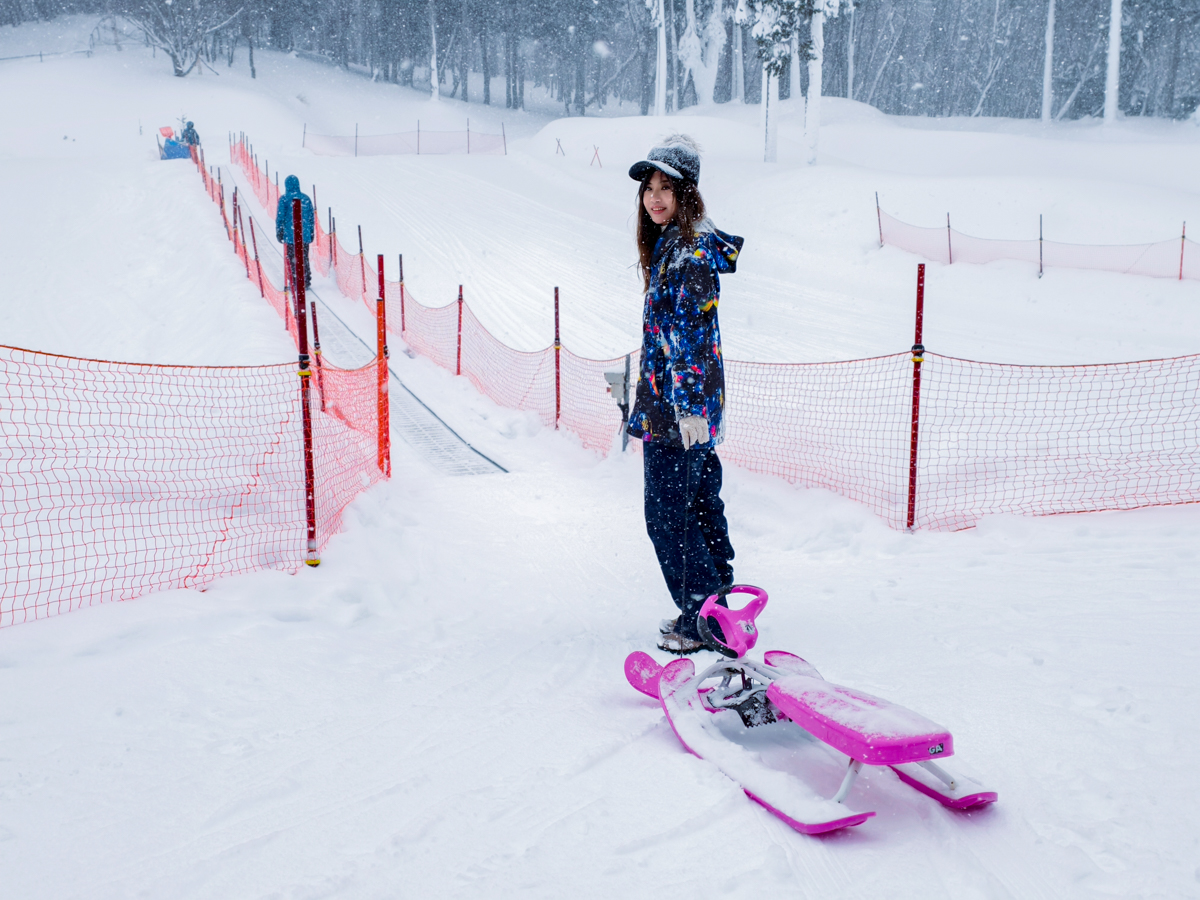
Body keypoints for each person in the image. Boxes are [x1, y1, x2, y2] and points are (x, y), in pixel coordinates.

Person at [626, 136, 744, 655]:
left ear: (686, 193)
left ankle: (703, 615)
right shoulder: (676, 246)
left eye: (666, 188)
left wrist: (690, 407)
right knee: (696, 503)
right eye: (649, 188)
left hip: (678, 411)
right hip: (675, 405)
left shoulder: (687, 255)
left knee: (668, 515)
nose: (654, 198)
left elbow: (691, 339)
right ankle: (718, 597)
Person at [276, 175, 315, 289]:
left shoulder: (284, 199)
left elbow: (280, 218)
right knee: (304, 257)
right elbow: (311, 218)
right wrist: (311, 232)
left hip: (290, 235)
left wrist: (279, 231)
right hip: (305, 235)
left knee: (293, 259)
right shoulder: (306, 199)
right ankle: (305, 280)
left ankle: (295, 281)